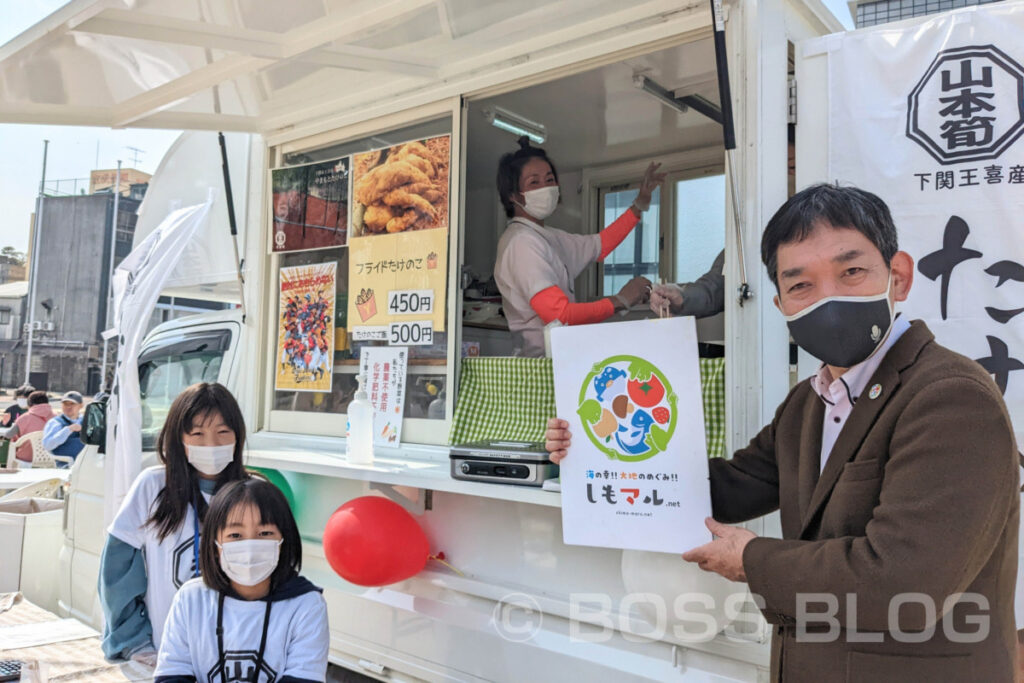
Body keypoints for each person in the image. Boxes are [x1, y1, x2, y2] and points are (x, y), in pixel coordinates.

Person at [546, 184, 1019, 681]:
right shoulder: (808, 401)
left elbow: (903, 585)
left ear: (898, 277)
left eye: (851, 272)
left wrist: (750, 558)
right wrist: (599, 454)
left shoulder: (950, 398)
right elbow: (725, 488)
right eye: (801, 285)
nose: (828, 298)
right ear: (781, 306)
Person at [100, 383, 250, 666]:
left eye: (222, 433)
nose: (211, 445)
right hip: (166, 651)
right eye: (197, 434)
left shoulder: (254, 491)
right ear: (179, 438)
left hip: (237, 654)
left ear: (237, 436)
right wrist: (135, 642)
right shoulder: (153, 486)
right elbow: (117, 573)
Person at [494, 136, 666, 356]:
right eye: (534, 182)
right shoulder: (521, 243)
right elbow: (560, 314)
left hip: (561, 357)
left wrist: (639, 204)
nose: (546, 188)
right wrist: (621, 300)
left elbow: (601, 244)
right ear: (512, 195)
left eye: (549, 180)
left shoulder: (548, 237)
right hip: (539, 363)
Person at [155, 477, 329, 683]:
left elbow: (304, 678)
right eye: (235, 535)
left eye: (265, 533)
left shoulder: (306, 604)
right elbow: (172, 675)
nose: (250, 547)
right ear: (215, 544)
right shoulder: (190, 599)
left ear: (284, 540)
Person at [4, 390, 53, 466]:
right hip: (51, 458)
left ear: (29, 404)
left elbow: (8, 435)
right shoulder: (56, 418)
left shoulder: (24, 418)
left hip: (25, 460)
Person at [41, 390, 85, 464]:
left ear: (81, 405)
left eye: (72, 404)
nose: (68, 407)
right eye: (65, 404)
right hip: (65, 465)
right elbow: (47, 445)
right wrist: (68, 430)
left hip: (86, 464)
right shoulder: (55, 423)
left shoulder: (86, 421)